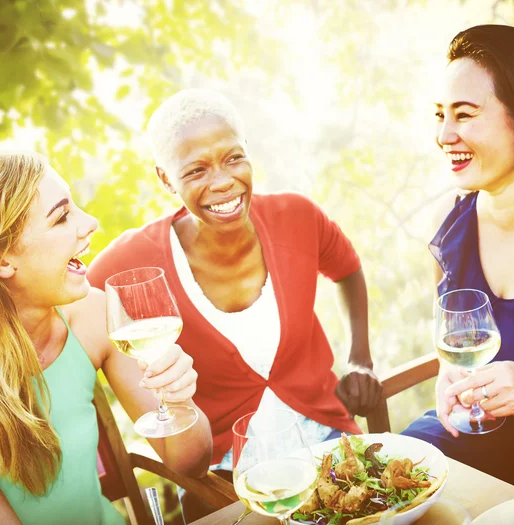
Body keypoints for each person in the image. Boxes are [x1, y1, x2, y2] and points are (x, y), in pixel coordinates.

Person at [87, 88, 383, 520]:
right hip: (226, 481)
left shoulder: (296, 216)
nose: (223, 181)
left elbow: (348, 270)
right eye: (196, 170)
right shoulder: (129, 261)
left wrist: (360, 359)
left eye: (233, 158)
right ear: (166, 180)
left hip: (332, 449)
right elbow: (75, 318)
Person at [0, 153, 212, 525]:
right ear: (0, 260)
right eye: (62, 217)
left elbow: (191, 463)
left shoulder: (96, 316)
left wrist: (178, 400)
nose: (90, 223)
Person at [402, 24, 514, 487]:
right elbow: (454, 348)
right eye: (439, 115)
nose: (443, 134)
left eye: (464, 115)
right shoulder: (450, 233)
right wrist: (449, 380)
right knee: (400, 469)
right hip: (476, 444)